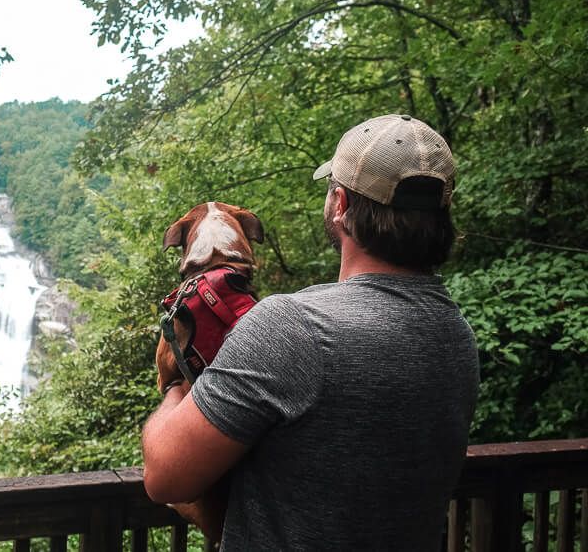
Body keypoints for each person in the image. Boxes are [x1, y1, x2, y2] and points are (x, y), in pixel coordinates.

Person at [142, 114, 480, 551]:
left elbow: (164, 477)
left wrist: (175, 377)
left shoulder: (293, 328)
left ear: (339, 204)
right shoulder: (456, 335)